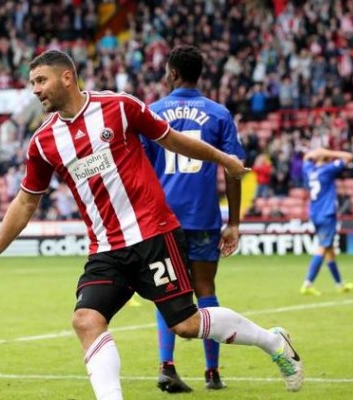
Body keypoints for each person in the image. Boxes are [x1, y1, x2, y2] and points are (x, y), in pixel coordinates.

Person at [0, 50, 303, 399]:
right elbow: (26, 200)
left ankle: (271, 341)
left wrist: (220, 157)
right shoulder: (43, 143)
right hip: (106, 248)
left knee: (185, 324)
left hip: (153, 233)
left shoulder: (119, 106)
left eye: (41, 81)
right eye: (32, 83)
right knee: (86, 320)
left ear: (67, 77)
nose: (35, 90)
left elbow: (171, 139)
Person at [141, 45, 244, 392]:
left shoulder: (152, 112)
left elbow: (137, 169)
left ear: (171, 73)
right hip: (203, 218)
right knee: (206, 291)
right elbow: (234, 171)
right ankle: (212, 372)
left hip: (163, 220)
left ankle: (166, 365)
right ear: (200, 74)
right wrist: (234, 222)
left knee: (167, 291)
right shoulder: (219, 113)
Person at [300, 147, 353, 296]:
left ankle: (339, 284)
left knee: (329, 250)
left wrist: (316, 153)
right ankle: (307, 284)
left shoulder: (309, 170)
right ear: (326, 158)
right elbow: (349, 156)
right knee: (323, 248)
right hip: (327, 213)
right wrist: (329, 153)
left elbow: (306, 158)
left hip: (315, 213)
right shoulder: (328, 170)